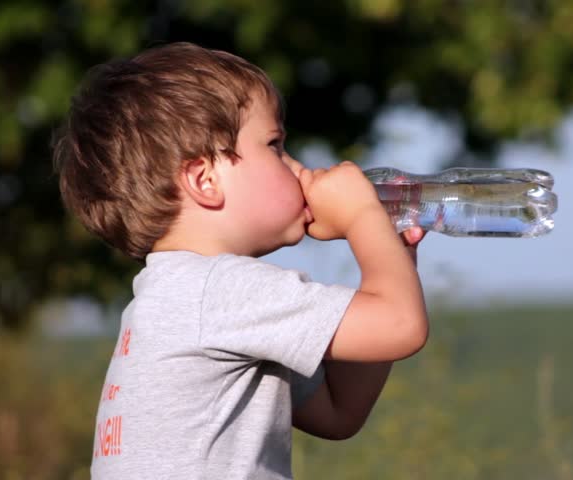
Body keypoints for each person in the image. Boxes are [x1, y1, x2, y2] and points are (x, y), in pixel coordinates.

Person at [52, 41, 428, 479]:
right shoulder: (221, 289)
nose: (298, 167)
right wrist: (363, 215)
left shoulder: (181, 296)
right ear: (205, 179)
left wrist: (390, 254)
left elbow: (338, 412)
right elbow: (401, 326)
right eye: (275, 145)